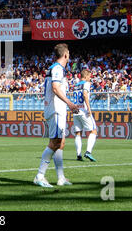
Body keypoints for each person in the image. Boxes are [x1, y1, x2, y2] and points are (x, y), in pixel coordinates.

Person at [33, 43, 79, 188]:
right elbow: (55, 87)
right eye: (69, 54)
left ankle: (61, 178)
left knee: (61, 143)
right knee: (55, 143)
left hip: (57, 109)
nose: (69, 56)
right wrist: (70, 103)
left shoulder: (55, 68)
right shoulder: (58, 68)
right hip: (56, 109)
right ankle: (39, 176)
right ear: (65, 54)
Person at [73, 69, 97, 162]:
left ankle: (78, 155)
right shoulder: (86, 83)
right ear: (86, 76)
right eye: (89, 76)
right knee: (93, 131)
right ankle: (88, 151)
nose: (90, 78)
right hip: (83, 110)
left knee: (78, 132)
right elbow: (85, 95)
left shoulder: (76, 85)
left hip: (76, 110)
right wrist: (89, 108)